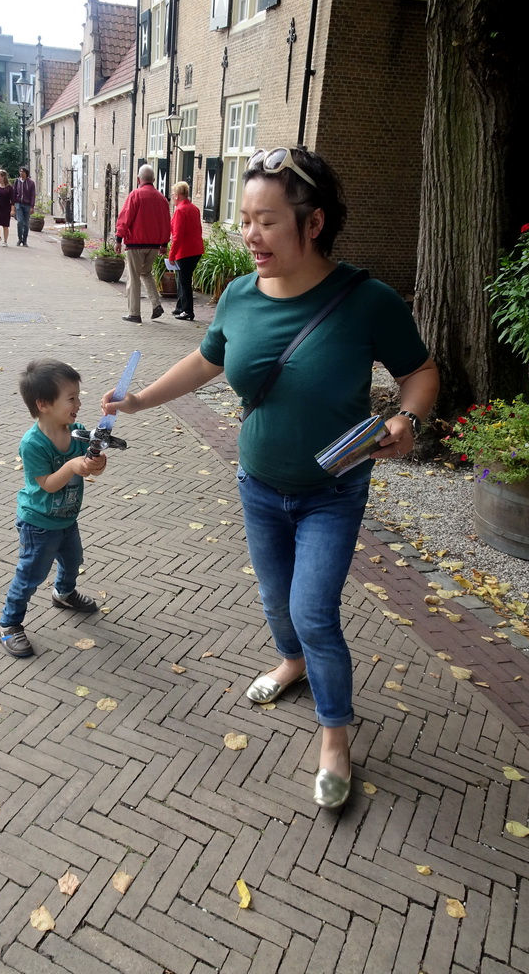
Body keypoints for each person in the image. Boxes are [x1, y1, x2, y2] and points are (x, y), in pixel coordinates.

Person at [102, 146, 439, 809]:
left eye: (268, 221)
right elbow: (205, 363)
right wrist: (140, 400)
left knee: (314, 612)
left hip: (333, 490)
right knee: (276, 600)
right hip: (258, 482)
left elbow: (420, 373)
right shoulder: (237, 295)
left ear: (312, 223)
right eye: (245, 219)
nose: (250, 235)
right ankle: (291, 664)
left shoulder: (365, 301)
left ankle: (335, 737)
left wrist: (407, 418)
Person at [0, 359, 108, 658]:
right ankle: (9, 624)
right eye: (71, 398)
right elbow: (47, 484)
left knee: (74, 560)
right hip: (39, 523)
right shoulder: (33, 444)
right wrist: (73, 465)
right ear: (44, 404)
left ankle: (64, 593)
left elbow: (91, 467)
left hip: (66, 518)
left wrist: (96, 463)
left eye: (78, 396)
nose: (79, 403)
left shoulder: (78, 431)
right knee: (31, 574)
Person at [115, 164, 171, 323]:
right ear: (153, 180)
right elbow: (167, 223)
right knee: (146, 273)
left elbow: (125, 218)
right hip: (153, 245)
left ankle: (134, 313)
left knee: (133, 277)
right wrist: (164, 244)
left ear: (138, 179)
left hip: (136, 244)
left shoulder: (135, 195)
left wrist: (119, 239)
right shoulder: (162, 199)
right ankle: (156, 304)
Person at [169, 181, 204, 321]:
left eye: (173, 193)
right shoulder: (194, 208)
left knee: (184, 280)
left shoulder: (180, 211)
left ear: (177, 195)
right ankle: (180, 307)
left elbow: (177, 236)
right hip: (196, 249)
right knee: (182, 278)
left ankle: (188, 311)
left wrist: (171, 254)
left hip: (185, 251)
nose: (171, 196)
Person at [0, 168, 16, 246]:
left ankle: (5, 241)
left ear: (3, 177)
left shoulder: (9, 187)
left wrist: (12, 210)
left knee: (5, 225)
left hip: (5, 208)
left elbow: (12, 200)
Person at [14, 166, 36, 246]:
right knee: (19, 221)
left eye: (23, 172)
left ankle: (25, 240)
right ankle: (20, 238)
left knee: (26, 224)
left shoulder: (31, 183)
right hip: (18, 203)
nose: (21, 173)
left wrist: (32, 206)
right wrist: (13, 204)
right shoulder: (17, 181)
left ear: (26, 173)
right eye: (20, 172)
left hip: (27, 205)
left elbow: (33, 195)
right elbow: (14, 192)